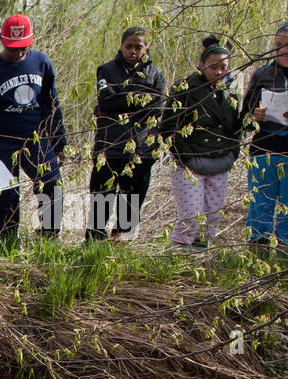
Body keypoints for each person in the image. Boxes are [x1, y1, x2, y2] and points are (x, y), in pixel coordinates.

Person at [0, 13, 66, 244]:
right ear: (2, 41)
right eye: (12, 48)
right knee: (5, 197)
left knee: (52, 186)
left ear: (30, 42)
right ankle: (7, 244)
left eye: (22, 48)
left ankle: (48, 239)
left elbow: (50, 104)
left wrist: (58, 142)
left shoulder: (41, 62)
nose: (17, 53)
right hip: (2, 142)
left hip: (36, 139)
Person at [161, 37, 242, 250]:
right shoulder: (184, 88)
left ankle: (199, 259)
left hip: (220, 162)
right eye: (213, 66)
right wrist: (185, 156)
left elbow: (236, 127)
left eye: (223, 67)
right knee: (191, 216)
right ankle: (178, 258)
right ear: (202, 64)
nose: (218, 72)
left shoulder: (231, 92)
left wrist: (233, 153)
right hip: (190, 164)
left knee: (212, 216)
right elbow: (169, 127)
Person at [89, 26, 166, 241]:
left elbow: (158, 107)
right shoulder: (106, 70)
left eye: (138, 47)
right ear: (121, 46)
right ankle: (93, 245)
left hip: (142, 149)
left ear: (145, 48)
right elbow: (105, 100)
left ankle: (120, 246)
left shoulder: (156, 73)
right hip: (109, 146)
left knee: (130, 206)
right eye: (128, 46)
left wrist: (120, 99)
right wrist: (142, 97)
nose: (133, 51)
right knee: (100, 202)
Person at [242, 22, 288, 249]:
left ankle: (283, 253)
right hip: (264, 148)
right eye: (278, 45)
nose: (283, 50)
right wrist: (254, 116)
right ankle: (256, 252)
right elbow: (243, 120)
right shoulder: (262, 75)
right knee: (260, 204)